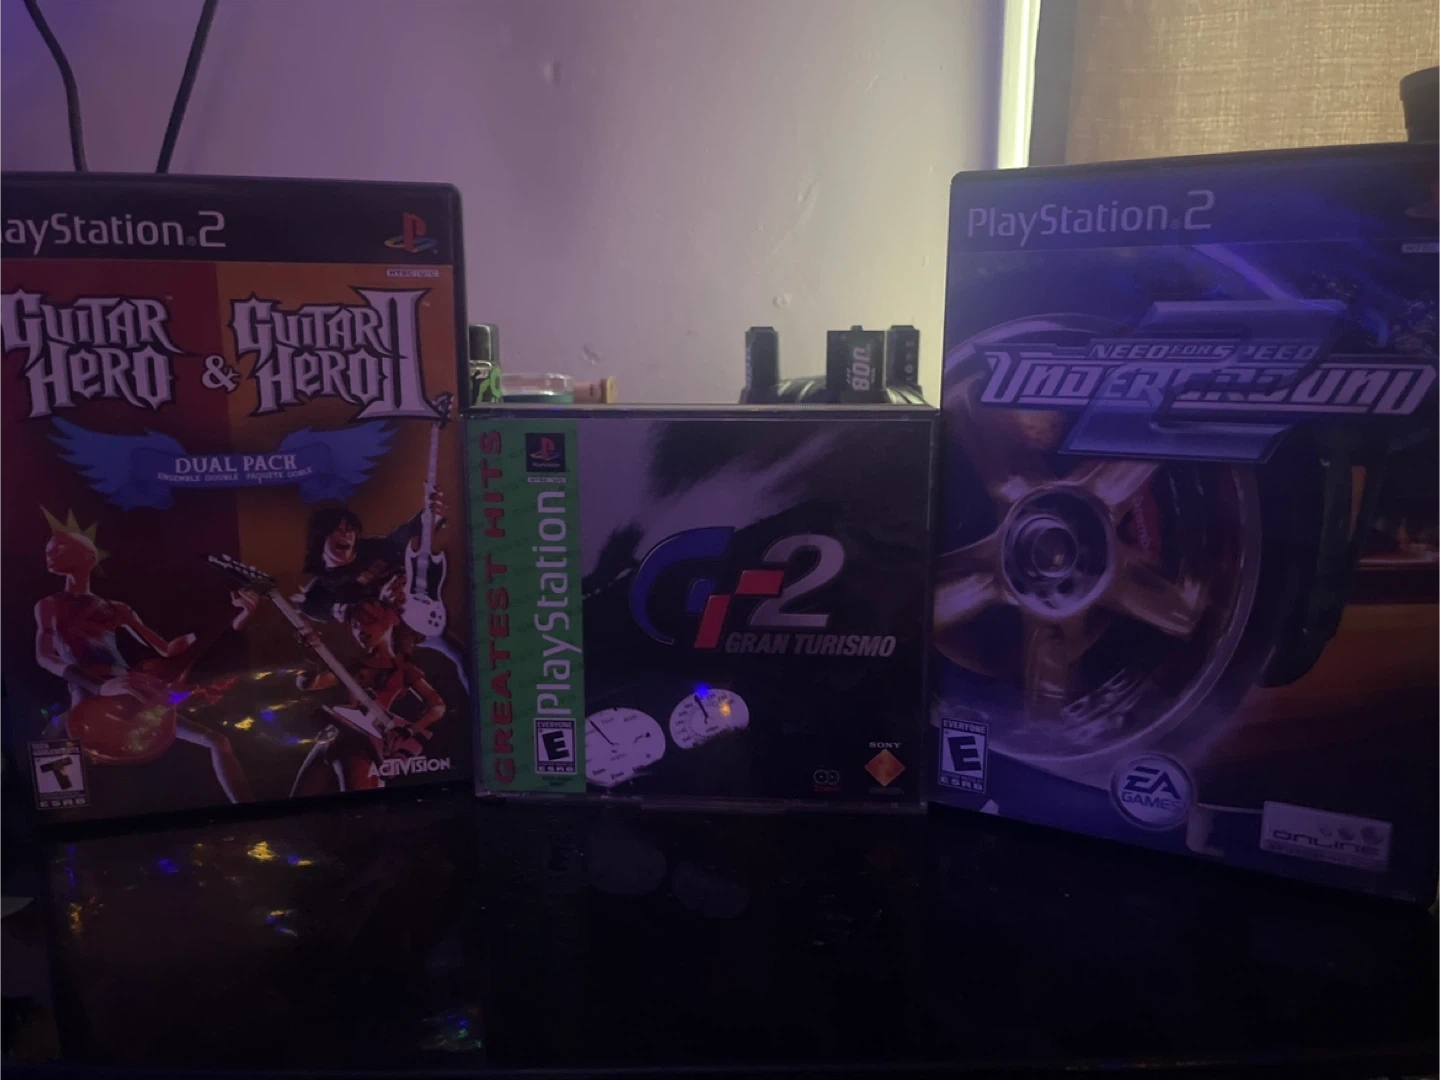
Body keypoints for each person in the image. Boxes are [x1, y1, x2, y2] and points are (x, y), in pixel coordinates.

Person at [32, 508, 256, 803]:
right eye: (49, 548)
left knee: (218, 741)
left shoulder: (117, 608)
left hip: (132, 689)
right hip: (88, 689)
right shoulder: (50, 605)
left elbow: (166, 649)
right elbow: (45, 656)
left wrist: (235, 618)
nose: (50, 552)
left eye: (60, 547)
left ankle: (249, 813)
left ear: (89, 557)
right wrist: (99, 686)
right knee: (61, 748)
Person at [294, 497, 468, 689]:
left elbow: (403, 536)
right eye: (337, 530)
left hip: (419, 616)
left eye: (350, 529)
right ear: (321, 536)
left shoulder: (374, 548)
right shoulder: (320, 591)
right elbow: (322, 613)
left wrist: (431, 515)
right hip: (386, 641)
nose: (346, 535)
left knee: (462, 656)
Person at [291, 599, 446, 795]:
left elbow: (437, 706)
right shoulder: (352, 666)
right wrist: (311, 659)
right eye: (355, 625)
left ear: (391, 620)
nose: (361, 630)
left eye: (368, 620)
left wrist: (408, 731)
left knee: (363, 810)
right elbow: (309, 684)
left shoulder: (403, 669)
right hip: (332, 736)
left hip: (362, 746)